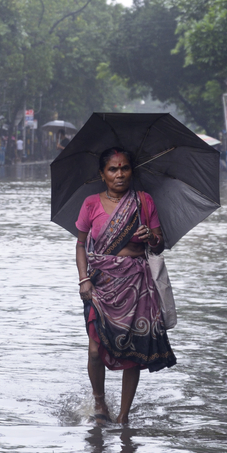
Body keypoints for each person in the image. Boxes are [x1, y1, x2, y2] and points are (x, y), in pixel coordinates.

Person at [75, 147, 176, 425]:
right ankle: (99, 401)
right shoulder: (90, 204)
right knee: (95, 349)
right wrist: (83, 279)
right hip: (100, 285)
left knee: (134, 352)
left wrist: (150, 237)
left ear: (132, 171)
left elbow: (159, 242)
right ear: (102, 174)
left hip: (137, 284)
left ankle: (123, 416)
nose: (119, 174)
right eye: (113, 169)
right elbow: (81, 244)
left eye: (125, 168)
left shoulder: (144, 202)